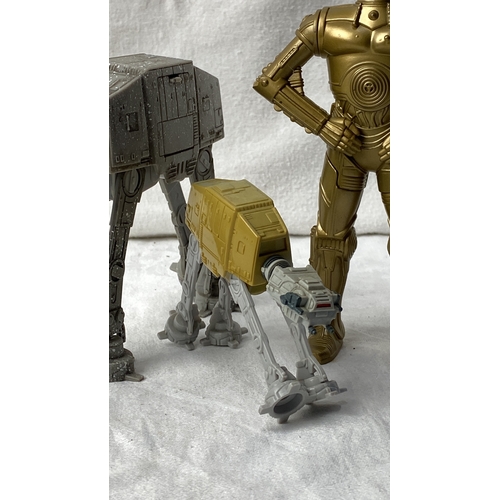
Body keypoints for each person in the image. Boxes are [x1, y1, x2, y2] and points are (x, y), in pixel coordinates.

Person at [253, 0, 390, 364]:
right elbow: (269, 81)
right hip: (346, 147)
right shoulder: (325, 24)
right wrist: (323, 125)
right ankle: (324, 324)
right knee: (329, 239)